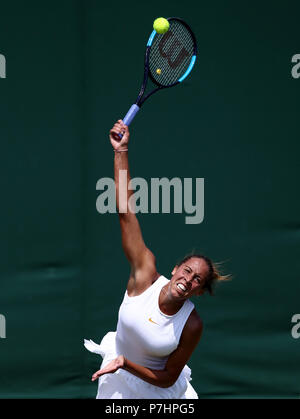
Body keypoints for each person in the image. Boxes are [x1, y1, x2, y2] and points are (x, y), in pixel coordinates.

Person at [84, 120, 228, 399]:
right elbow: (126, 212)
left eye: (197, 280)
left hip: (159, 390)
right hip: (117, 381)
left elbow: (166, 378)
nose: (188, 280)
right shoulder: (144, 275)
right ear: (175, 269)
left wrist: (126, 364)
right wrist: (121, 151)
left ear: (199, 291)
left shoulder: (192, 324)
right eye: (187, 271)